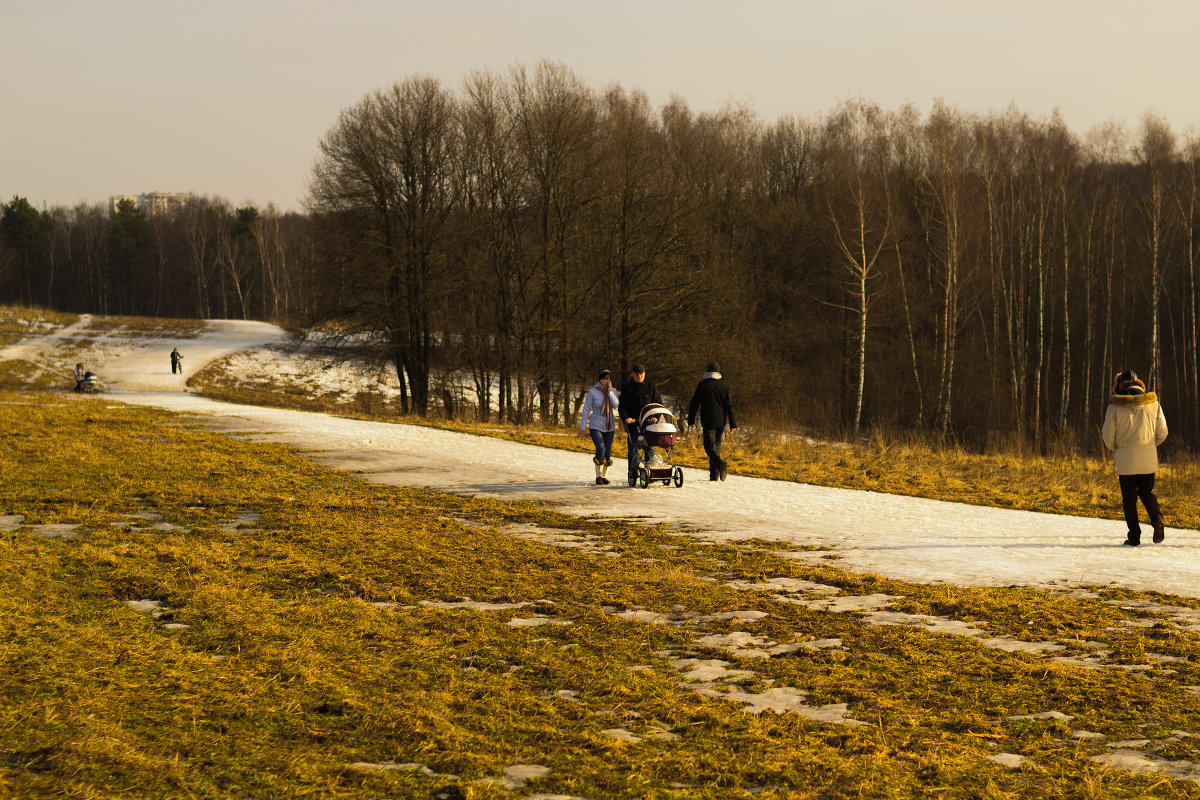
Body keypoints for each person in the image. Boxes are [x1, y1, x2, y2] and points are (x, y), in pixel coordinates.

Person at [1101, 369, 1168, 547]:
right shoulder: (1154, 404)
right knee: (1147, 493)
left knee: (1129, 500)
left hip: (1125, 461)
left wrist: (1117, 448)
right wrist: (1150, 446)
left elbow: (1107, 436)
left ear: (1119, 385)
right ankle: (1157, 519)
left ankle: (1134, 536)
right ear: (1139, 384)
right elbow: (1163, 432)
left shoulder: (1114, 406)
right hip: (1148, 458)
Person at [687, 361, 737, 481]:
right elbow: (729, 406)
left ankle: (720, 465)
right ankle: (714, 475)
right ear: (718, 372)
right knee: (716, 448)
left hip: (708, 421)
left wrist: (691, 419)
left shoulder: (702, 385)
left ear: (707, 372)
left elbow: (694, 403)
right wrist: (733, 423)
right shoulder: (724, 386)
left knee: (708, 447)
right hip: (721, 422)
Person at [619, 363, 662, 484]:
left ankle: (650, 474)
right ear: (632, 374)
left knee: (649, 447)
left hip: (648, 424)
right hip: (633, 424)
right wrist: (626, 418)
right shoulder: (627, 388)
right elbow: (622, 407)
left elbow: (658, 403)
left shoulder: (651, 386)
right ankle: (632, 473)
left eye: (642, 374)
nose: (640, 376)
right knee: (633, 449)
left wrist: (656, 417)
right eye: (637, 374)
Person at [578, 369, 621, 485]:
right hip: (595, 425)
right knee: (600, 447)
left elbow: (616, 404)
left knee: (607, 451)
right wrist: (582, 427)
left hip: (609, 425)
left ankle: (604, 476)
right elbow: (586, 409)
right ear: (600, 380)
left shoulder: (613, 391)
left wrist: (610, 392)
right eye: (605, 378)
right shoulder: (593, 392)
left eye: (609, 379)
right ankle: (598, 477)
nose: (607, 381)